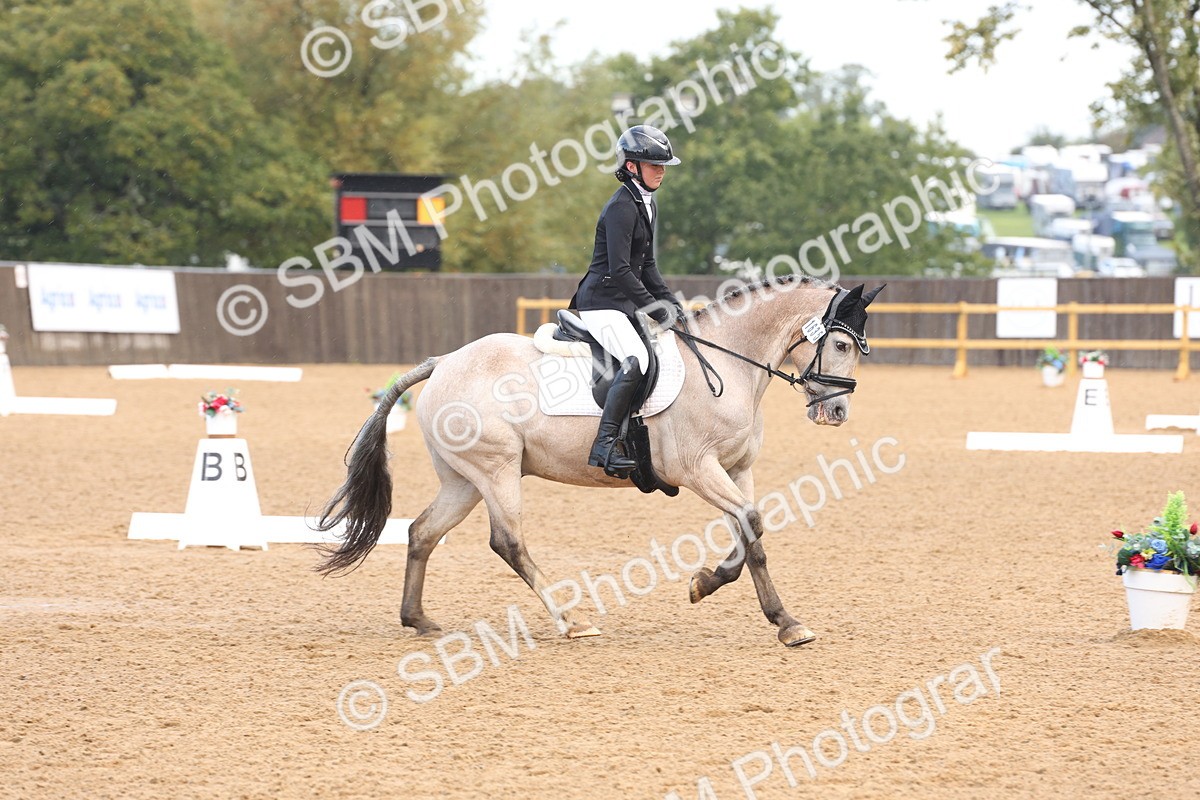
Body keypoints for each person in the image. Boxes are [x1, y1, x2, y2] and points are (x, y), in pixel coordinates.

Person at [570, 125, 684, 476]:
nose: (661, 172)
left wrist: (671, 302)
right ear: (631, 167)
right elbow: (620, 270)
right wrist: (654, 307)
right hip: (601, 302)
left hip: (622, 304)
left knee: (656, 354)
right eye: (654, 166)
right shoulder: (621, 206)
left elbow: (646, 264)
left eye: (663, 166)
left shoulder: (646, 203)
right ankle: (604, 444)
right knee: (636, 360)